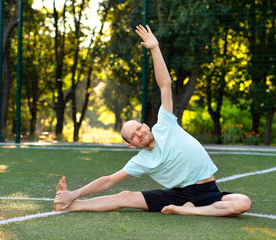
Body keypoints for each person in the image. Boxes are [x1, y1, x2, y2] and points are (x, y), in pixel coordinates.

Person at [54, 25, 251, 216]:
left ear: (146, 125)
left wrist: (155, 48)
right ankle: (70, 206)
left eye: (139, 128)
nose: (140, 133)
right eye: (134, 136)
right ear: (132, 145)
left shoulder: (165, 124)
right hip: (179, 194)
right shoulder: (141, 161)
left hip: (208, 190)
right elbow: (109, 181)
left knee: (243, 202)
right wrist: (73, 195)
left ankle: (186, 210)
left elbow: (165, 84)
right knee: (125, 196)